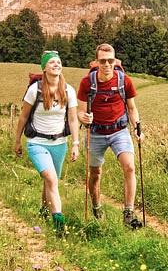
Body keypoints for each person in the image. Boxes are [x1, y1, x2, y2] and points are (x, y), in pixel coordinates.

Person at [77, 43, 144, 228]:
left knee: (129, 167)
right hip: (96, 132)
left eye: (110, 60)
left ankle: (128, 213)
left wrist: (137, 128)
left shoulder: (124, 80)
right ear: (96, 62)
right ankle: (97, 208)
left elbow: (131, 108)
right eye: (103, 61)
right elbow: (80, 113)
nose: (107, 64)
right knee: (95, 173)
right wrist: (84, 118)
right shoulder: (87, 83)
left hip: (119, 131)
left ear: (115, 61)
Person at [14, 50, 79, 235]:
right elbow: (24, 115)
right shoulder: (35, 90)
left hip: (59, 143)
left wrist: (75, 143)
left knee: (50, 182)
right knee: (51, 179)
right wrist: (17, 140)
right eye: (52, 62)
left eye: (58, 62)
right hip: (37, 142)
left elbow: (73, 119)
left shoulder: (68, 90)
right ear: (44, 68)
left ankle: (44, 210)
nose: (56, 65)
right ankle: (58, 221)